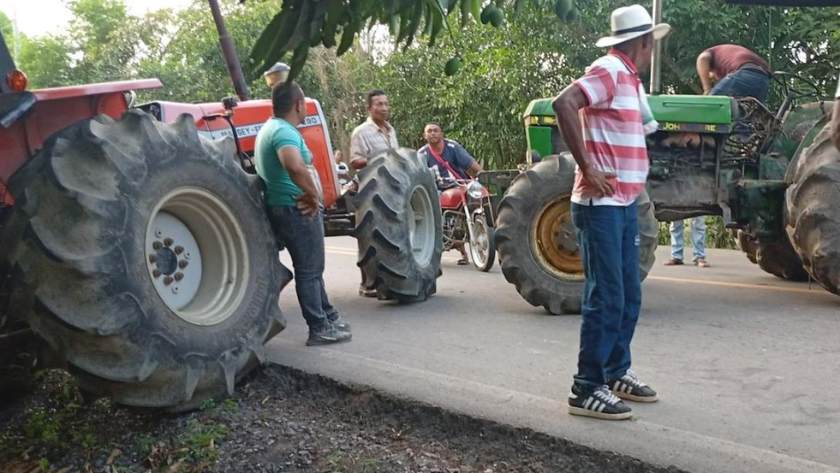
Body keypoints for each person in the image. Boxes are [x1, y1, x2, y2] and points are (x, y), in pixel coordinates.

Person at [552, 4, 669, 420]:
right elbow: (564, 102)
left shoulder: (630, 80)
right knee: (606, 295)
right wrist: (587, 167)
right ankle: (586, 387)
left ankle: (616, 371)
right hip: (600, 204)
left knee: (628, 293)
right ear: (642, 42)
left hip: (623, 202)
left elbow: (644, 129)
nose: (653, 50)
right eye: (651, 43)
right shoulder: (609, 69)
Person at [255, 81, 352, 346]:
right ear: (299, 105)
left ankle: (328, 315)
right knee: (309, 271)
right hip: (297, 207)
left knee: (312, 268)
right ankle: (319, 327)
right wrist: (312, 195)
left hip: (284, 206)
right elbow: (294, 166)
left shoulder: (270, 128)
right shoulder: (284, 132)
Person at [350, 90, 399, 297]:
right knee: (368, 234)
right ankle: (367, 282)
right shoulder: (361, 132)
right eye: (379, 104)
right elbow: (355, 161)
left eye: (386, 103)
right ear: (369, 108)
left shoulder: (391, 130)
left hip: (394, 188)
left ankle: (393, 279)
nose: (384, 107)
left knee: (394, 234)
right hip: (371, 187)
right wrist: (379, 162)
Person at [419, 122, 484, 265]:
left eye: (436, 130)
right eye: (429, 131)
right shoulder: (422, 154)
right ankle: (459, 251)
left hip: (460, 185)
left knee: (483, 200)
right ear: (425, 135)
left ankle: (489, 234)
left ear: (441, 133)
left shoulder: (452, 147)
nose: (433, 133)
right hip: (438, 189)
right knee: (436, 214)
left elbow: (469, 162)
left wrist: (484, 175)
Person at [696, 44, 771, 102]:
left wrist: (707, 89)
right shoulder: (726, 57)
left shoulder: (710, 53)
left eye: (712, 79)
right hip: (763, 79)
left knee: (710, 103)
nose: (715, 80)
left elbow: (702, 58)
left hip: (745, 73)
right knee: (746, 116)